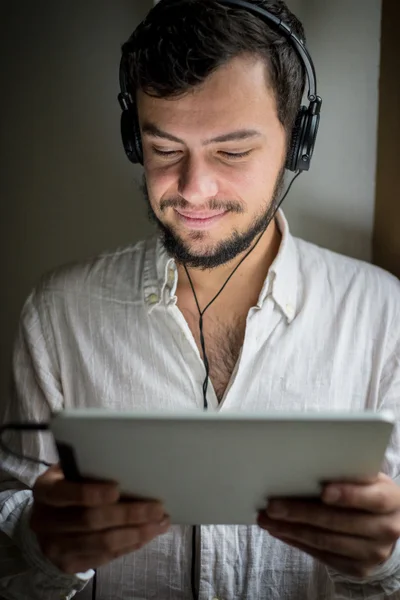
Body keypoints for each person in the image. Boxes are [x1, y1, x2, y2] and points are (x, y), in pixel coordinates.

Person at [1, 0, 399, 598]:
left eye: (232, 152)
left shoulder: (383, 315)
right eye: (164, 151)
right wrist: (40, 542)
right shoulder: (58, 315)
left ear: (298, 142)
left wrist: (390, 561)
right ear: (135, 141)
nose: (193, 190)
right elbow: (13, 552)